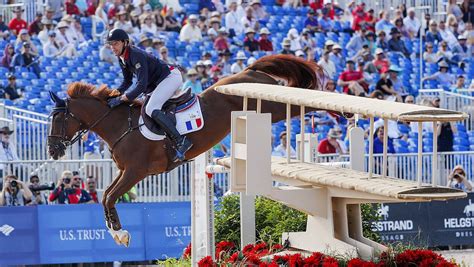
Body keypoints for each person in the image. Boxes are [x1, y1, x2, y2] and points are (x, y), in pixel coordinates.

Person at [106, 29, 192, 162]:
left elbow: (141, 85)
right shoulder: (122, 58)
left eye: (115, 44)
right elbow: (127, 81)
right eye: (110, 44)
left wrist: (122, 98)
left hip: (170, 77)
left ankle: (181, 141)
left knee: (151, 108)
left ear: (125, 42)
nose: (113, 47)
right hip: (157, 83)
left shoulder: (135, 55)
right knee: (145, 109)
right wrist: (113, 95)